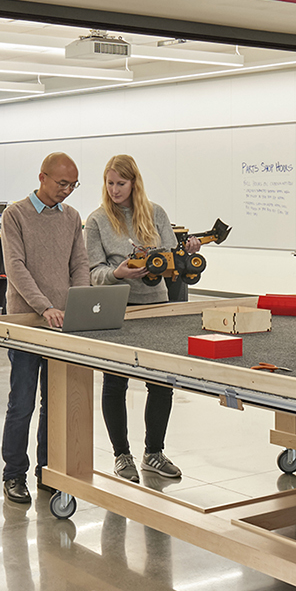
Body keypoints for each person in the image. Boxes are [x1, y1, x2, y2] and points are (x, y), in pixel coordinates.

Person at [85, 154, 199, 484]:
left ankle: (154, 453)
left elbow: (173, 263)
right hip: (118, 309)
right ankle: (122, 455)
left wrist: (187, 254)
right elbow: (93, 272)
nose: (115, 189)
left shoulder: (156, 214)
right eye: (110, 183)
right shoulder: (96, 221)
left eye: (121, 183)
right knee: (115, 382)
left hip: (157, 307)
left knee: (161, 383)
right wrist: (117, 274)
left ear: (134, 182)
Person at [0, 152, 89, 505]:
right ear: (42, 177)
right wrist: (45, 306)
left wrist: (77, 304)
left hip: (63, 325)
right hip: (26, 322)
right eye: (61, 183)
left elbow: (79, 263)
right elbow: (16, 267)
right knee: (21, 403)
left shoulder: (71, 218)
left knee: (56, 403)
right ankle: (14, 474)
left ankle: (47, 472)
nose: (66, 191)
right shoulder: (15, 215)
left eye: (72, 185)